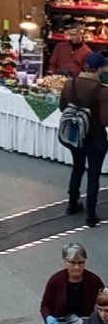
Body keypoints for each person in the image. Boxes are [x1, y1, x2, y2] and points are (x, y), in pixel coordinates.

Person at [58, 51, 108, 226]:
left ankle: (72, 204)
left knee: (77, 168)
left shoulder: (69, 84)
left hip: (75, 135)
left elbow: (62, 107)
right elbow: (105, 120)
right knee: (93, 174)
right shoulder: (102, 91)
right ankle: (91, 215)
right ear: (101, 68)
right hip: (95, 138)